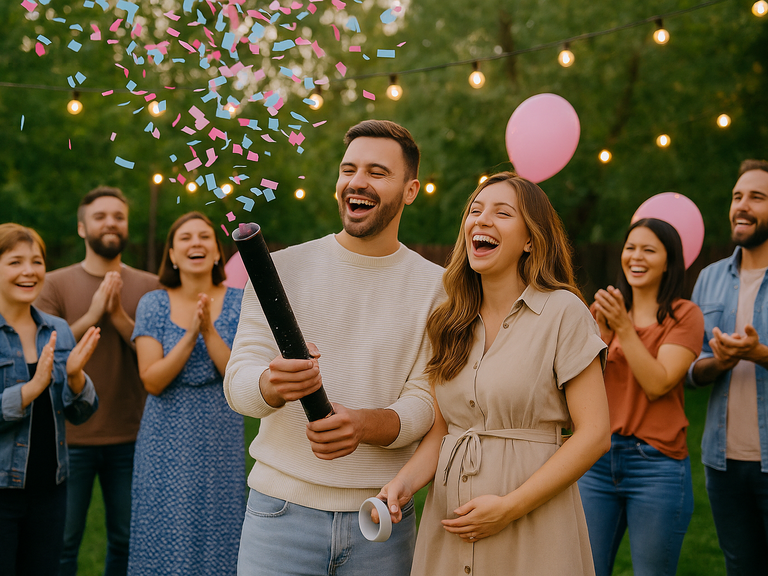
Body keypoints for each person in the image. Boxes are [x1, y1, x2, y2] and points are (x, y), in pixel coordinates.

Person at [224, 119, 445, 576]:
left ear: (410, 190)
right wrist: (270, 384)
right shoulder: (280, 268)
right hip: (278, 516)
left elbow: (426, 401)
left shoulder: (437, 287)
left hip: (383, 519)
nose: (357, 182)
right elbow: (238, 383)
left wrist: (366, 425)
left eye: (377, 172)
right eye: (349, 169)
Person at [376, 172, 611, 576]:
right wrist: (403, 484)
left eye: (502, 213)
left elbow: (594, 434)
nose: (481, 220)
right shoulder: (449, 321)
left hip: (532, 523)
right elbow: (442, 432)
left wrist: (509, 507)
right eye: (475, 211)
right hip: (450, 525)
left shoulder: (563, 312)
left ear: (531, 240)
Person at [35, 186, 158, 576]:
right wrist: (92, 314)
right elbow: (44, 356)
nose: (111, 223)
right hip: (67, 439)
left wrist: (118, 314)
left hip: (131, 435)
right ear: (81, 228)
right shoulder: (52, 284)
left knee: (126, 539)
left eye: (118, 216)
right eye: (101, 216)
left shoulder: (150, 287)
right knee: (63, 542)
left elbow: (157, 359)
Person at [577, 218, 705, 576]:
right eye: (631, 247)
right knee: (585, 568)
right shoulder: (603, 313)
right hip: (597, 462)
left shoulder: (684, 315)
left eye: (649, 250)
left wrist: (623, 329)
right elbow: (579, 389)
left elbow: (659, 382)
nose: (636, 256)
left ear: (669, 261)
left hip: (656, 466)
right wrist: (600, 335)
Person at [128, 211, 244, 575]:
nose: (196, 242)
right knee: (164, 524)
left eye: (205, 237)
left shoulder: (242, 301)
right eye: (185, 238)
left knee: (219, 526)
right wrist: (191, 333)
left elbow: (236, 375)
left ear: (216, 253)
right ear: (173, 256)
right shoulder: (153, 304)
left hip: (219, 432)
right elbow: (152, 380)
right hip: (165, 434)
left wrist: (209, 331)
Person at [0, 223, 100, 575]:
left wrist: (75, 378)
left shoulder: (57, 329)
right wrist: (30, 389)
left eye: (37, 261)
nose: (29, 271)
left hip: (51, 489)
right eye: (15, 262)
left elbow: (80, 414)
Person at [689, 159, 768, 574]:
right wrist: (717, 362)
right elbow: (693, 369)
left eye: (756, 197)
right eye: (738, 196)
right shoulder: (709, 278)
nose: (742, 205)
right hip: (722, 463)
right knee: (741, 567)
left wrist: (761, 355)